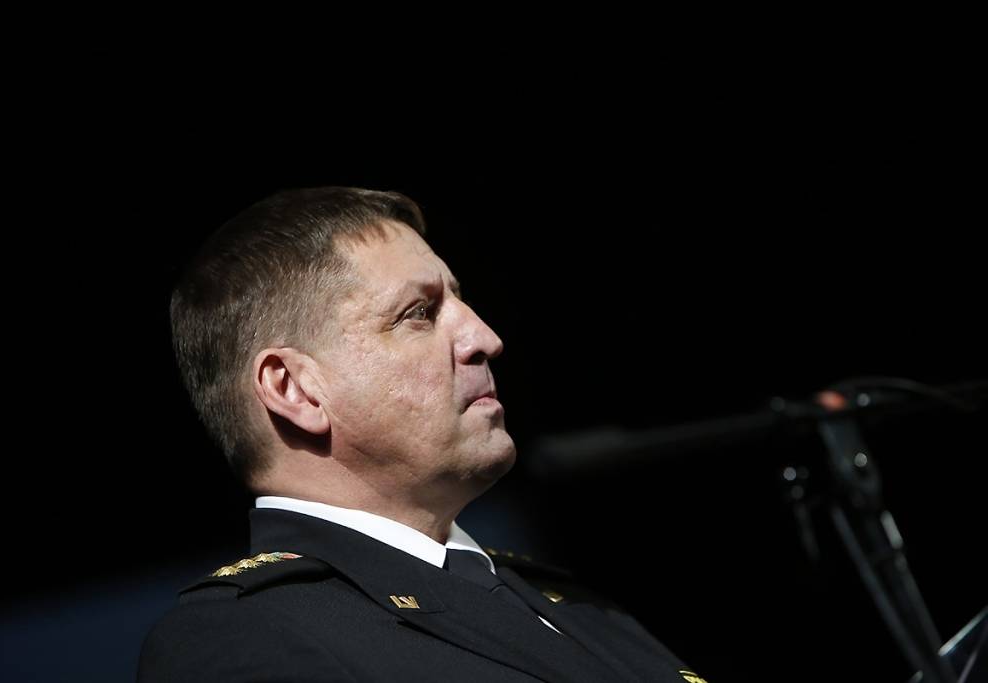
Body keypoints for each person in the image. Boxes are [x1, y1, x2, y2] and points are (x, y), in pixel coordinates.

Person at [138, 186, 703, 682]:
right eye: (418, 313)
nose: (485, 338)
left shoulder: (564, 598)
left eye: (460, 300)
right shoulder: (244, 636)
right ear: (295, 389)